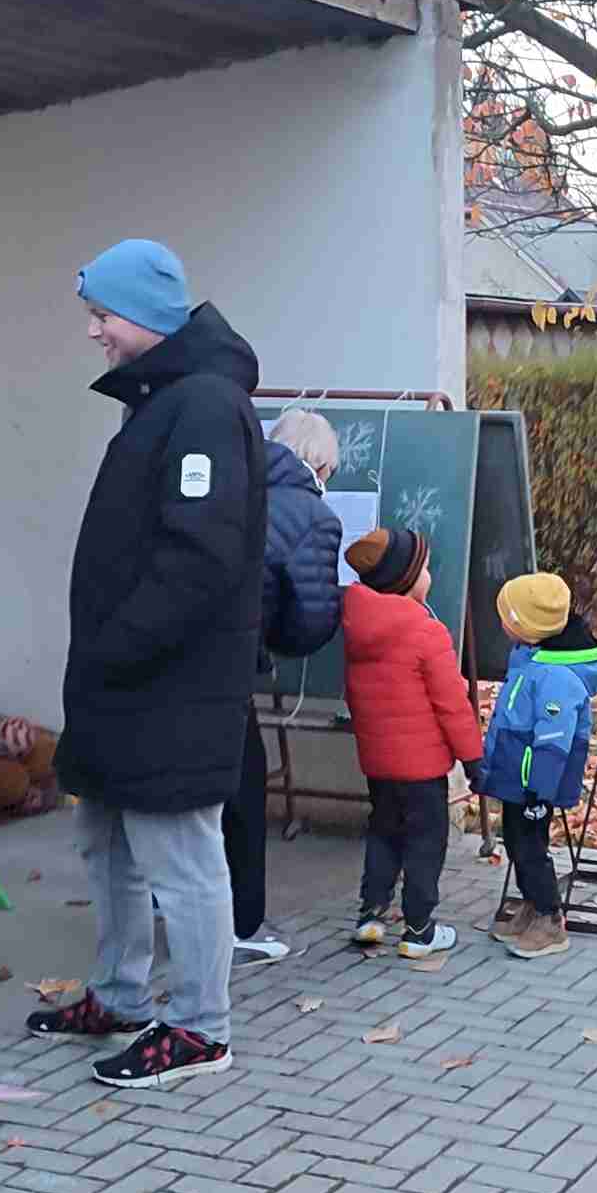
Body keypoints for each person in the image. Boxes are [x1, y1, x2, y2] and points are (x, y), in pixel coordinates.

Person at [30, 240, 267, 1092]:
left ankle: (202, 1028)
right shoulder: (163, 400)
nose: (94, 331)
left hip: (168, 687)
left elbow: (199, 557)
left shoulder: (202, 405)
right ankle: (120, 995)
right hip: (123, 686)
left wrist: (118, 644)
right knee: (106, 842)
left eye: (103, 315)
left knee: (181, 857)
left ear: (145, 315)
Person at [231, 407, 343, 965]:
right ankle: (240, 924)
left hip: (177, 656)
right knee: (243, 794)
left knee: (186, 791)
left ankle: (167, 900)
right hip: (230, 667)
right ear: (320, 464)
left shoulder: (233, 483)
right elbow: (308, 622)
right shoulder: (313, 514)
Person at [340, 528, 485, 955]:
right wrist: (473, 759)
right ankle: (420, 930)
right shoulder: (426, 632)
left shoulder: (359, 627)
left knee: (384, 831)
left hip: (378, 762)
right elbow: (452, 705)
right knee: (425, 842)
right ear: (405, 579)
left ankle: (371, 914)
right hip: (422, 768)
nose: (430, 576)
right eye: (424, 569)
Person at [475, 570, 597, 960]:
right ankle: (532, 907)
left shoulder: (556, 675)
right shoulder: (530, 657)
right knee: (516, 843)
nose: (501, 623)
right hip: (517, 774)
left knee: (531, 848)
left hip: (534, 783)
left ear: (526, 627)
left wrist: (540, 790)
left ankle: (550, 919)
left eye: (507, 617)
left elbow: (554, 740)